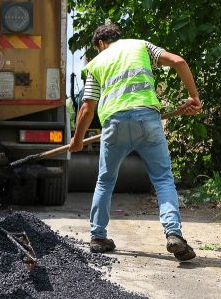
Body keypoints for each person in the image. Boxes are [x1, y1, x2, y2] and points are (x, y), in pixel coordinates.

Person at [68, 22, 202, 261]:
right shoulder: (141, 46)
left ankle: (98, 236)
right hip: (147, 120)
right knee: (162, 179)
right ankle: (173, 234)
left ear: (100, 43)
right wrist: (193, 97)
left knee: (105, 181)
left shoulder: (96, 63)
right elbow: (179, 62)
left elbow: (87, 107)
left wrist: (77, 140)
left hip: (114, 125)